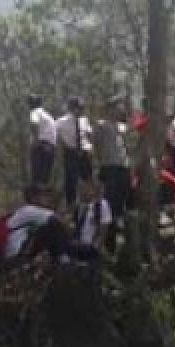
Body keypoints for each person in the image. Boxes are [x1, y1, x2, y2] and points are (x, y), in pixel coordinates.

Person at [93, 95, 131, 251]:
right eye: (116, 107)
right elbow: (96, 145)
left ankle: (119, 237)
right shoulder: (102, 125)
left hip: (123, 167)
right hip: (109, 167)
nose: (119, 110)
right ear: (110, 109)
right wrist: (101, 159)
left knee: (121, 202)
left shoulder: (123, 128)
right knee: (109, 202)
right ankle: (108, 241)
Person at [55, 96, 93, 212]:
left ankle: (88, 203)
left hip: (84, 152)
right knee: (71, 179)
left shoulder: (84, 120)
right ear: (71, 108)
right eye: (78, 108)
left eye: (81, 108)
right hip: (71, 151)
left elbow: (89, 135)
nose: (80, 110)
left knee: (87, 178)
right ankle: (71, 205)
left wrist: (90, 148)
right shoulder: (61, 121)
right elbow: (57, 137)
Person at [74, 179, 112, 256]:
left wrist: (95, 247)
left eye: (83, 189)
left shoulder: (102, 205)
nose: (81, 192)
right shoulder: (79, 205)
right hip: (77, 244)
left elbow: (104, 230)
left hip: (91, 246)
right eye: (79, 189)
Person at [28, 94, 57, 186]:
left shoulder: (35, 112)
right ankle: (42, 196)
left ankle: (36, 198)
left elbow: (34, 124)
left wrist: (35, 142)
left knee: (37, 177)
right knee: (45, 177)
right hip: (50, 147)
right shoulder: (47, 115)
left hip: (40, 146)